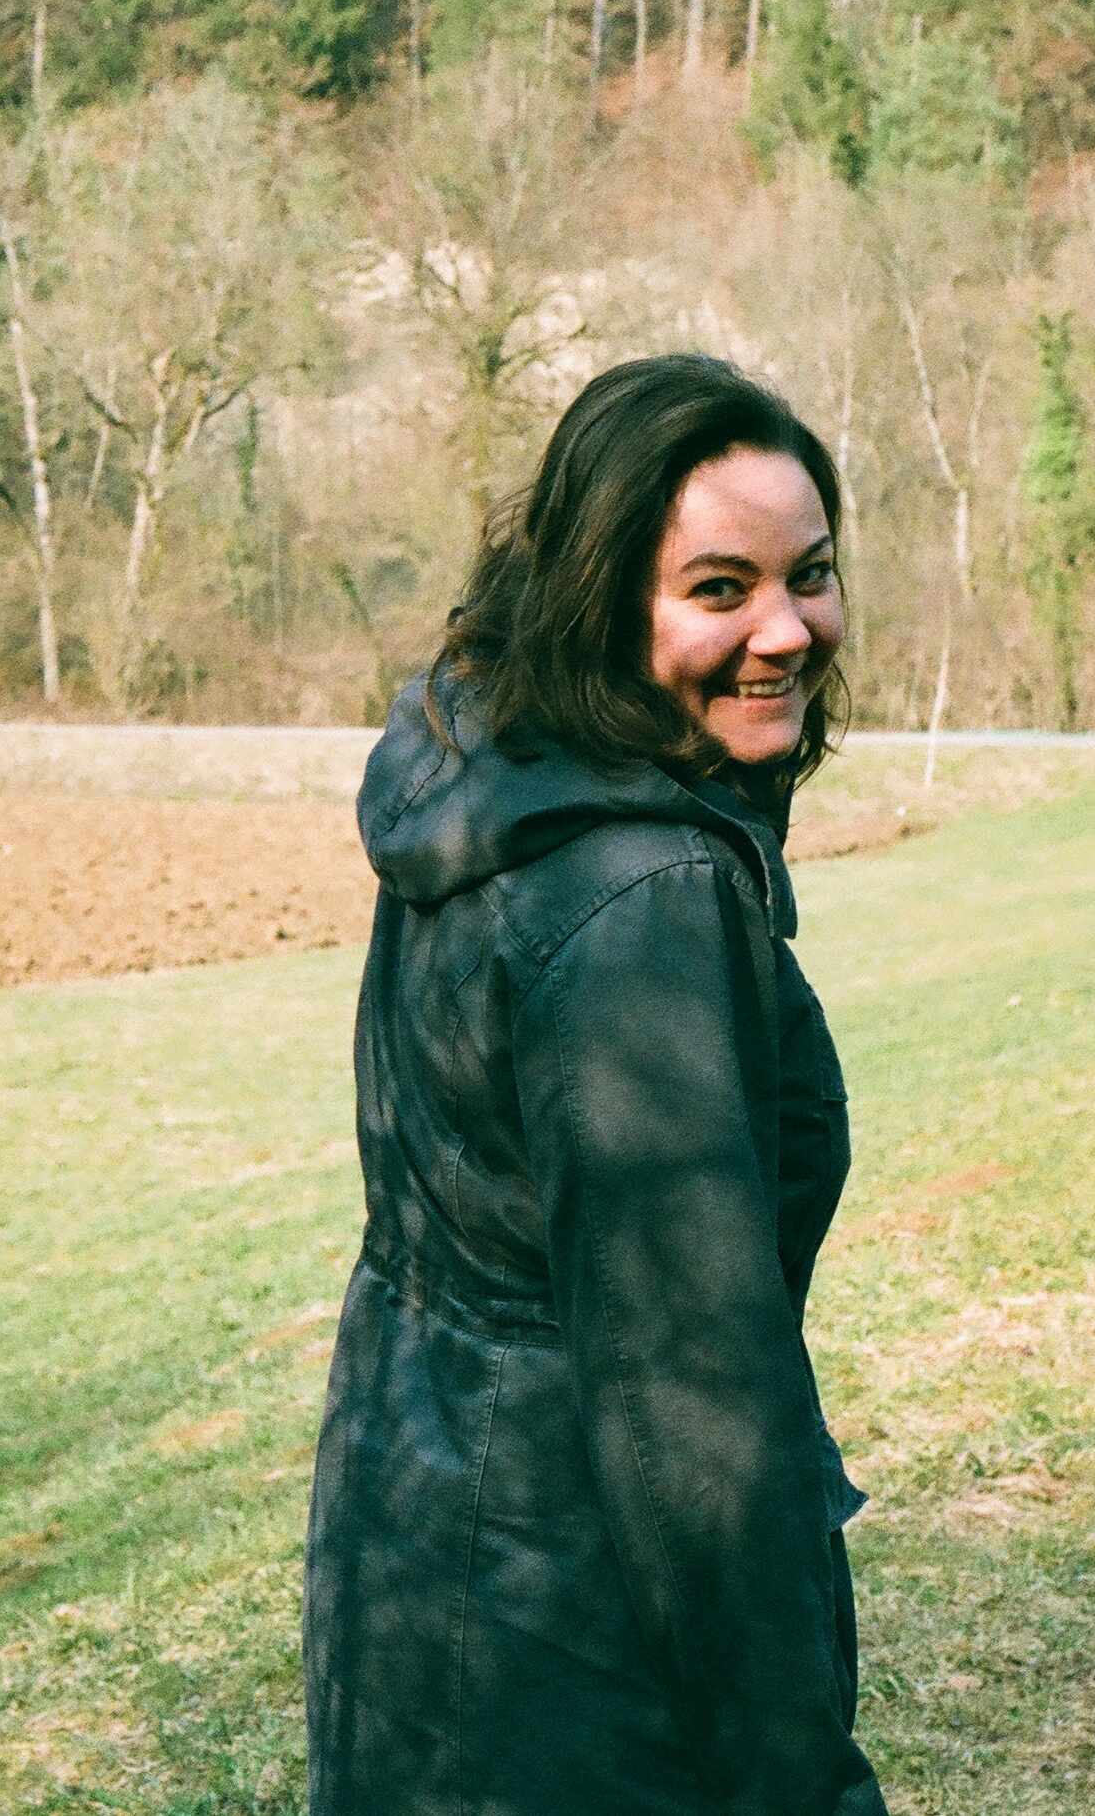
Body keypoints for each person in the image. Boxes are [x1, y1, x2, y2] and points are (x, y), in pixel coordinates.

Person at [304, 356, 884, 1816]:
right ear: (602, 598)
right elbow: (689, 1401)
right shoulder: (637, 898)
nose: (785, 629)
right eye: (718, 588)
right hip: (574, 1622)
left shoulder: (487, 768)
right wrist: (798, 1780)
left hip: (415, 1531)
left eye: (808, 575)